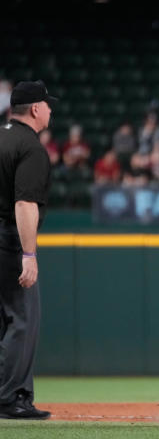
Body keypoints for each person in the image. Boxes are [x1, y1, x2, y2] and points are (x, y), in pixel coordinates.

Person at [0, 80, 57, 420]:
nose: (50, 109)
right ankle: (12, 399)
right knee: (22, 320)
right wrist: (29, 254)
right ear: (35, 109)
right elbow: (24, 203)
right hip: (8, 240)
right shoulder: (30, 147)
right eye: (47, 104)